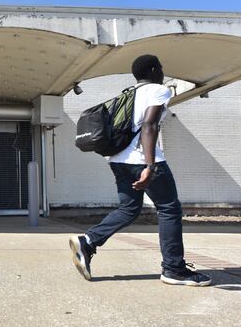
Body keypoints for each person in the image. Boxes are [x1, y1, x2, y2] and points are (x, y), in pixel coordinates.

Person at [69, 54, 212, 287]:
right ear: (154, 70)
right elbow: (149, 124)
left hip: (117, 160)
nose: (163, 72)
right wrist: (150, 165)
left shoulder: (128, 93)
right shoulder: (158, 90)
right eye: (162, 67)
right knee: (169, 209)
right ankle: (174, 269)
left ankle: (88, 240)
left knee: (129, 209)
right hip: (141, 160)